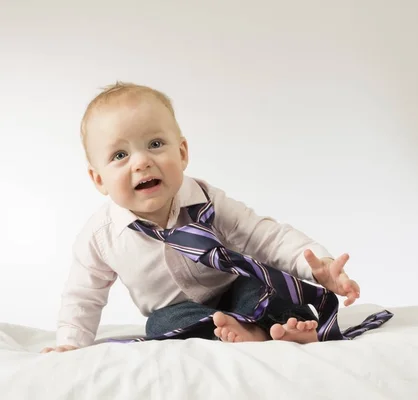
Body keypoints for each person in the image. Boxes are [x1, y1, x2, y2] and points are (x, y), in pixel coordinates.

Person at [41, 82, 361, 353]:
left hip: (233, 289)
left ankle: (286, 326)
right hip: (180, 310)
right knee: (161, 324)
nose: (141, 161)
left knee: (262, 284)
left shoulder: (206, 201)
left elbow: (263, 236)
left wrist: (317, 266)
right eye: (120, 155)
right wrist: (71, 344)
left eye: (155, 144)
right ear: (98, 180)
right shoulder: (101, 237)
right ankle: (245, 332)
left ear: (182, 153)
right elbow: (83, 295)